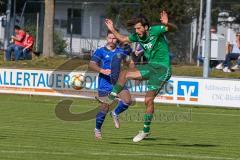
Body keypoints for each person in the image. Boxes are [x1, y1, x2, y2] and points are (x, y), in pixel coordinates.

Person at [98, 11, 177, 142]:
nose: (137, 31)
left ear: (146, 27)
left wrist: (166, 23)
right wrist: (112, 29)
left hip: (163, 70)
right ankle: (110, 97)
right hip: (151, 67)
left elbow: (174, 28)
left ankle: (145, 130)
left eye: (139, 28)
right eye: (135, 28)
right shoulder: (137, 36)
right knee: (125, 74)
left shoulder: (156, 30)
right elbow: (123, 39)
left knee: (148, 100)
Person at [89, 30, 133, 140]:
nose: (112, 40)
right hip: (104, 83)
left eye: (114, 38)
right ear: (106, 39)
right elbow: (91, 64)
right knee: (104, 108)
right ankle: (97, 129)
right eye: (110, 38)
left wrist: (131, 61)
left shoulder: (120, 51)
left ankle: (115, 113)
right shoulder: (100, 51)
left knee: (127, 101)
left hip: (118, 82)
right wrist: (101, 70)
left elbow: (128, 61)